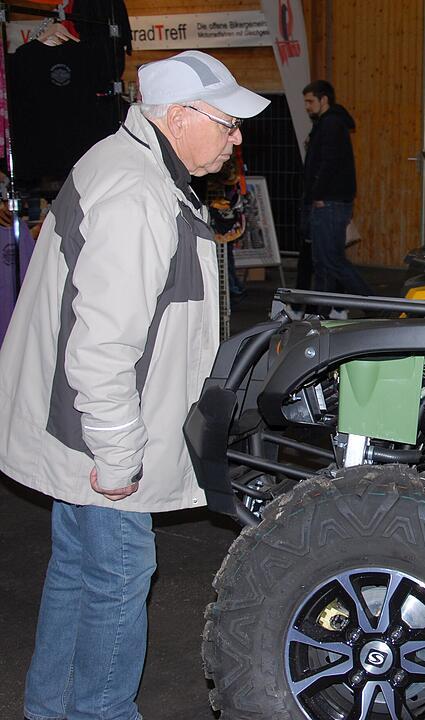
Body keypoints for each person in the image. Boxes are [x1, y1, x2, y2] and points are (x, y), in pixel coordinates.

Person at [0, 50, 268, 720]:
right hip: (101, 436)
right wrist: (120, 455)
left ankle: (51, 708)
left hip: (79, 430)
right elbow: (102, 348)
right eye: (227, 122)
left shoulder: (130, 165)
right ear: (179, 116)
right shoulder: (139, 193)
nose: (236, 137)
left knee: (78, 573)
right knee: (118, 578)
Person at [302, 79, 371, 309]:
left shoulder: (330, 124)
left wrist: (317, 194)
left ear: (324, 100)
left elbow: (328, 163)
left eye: (310, 101)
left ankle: (374, 304)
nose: (307, 107)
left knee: (331, 261)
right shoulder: (329, 123)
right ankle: (322, 314)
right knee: (324, 263)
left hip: (328, 203)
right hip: (330, 201)